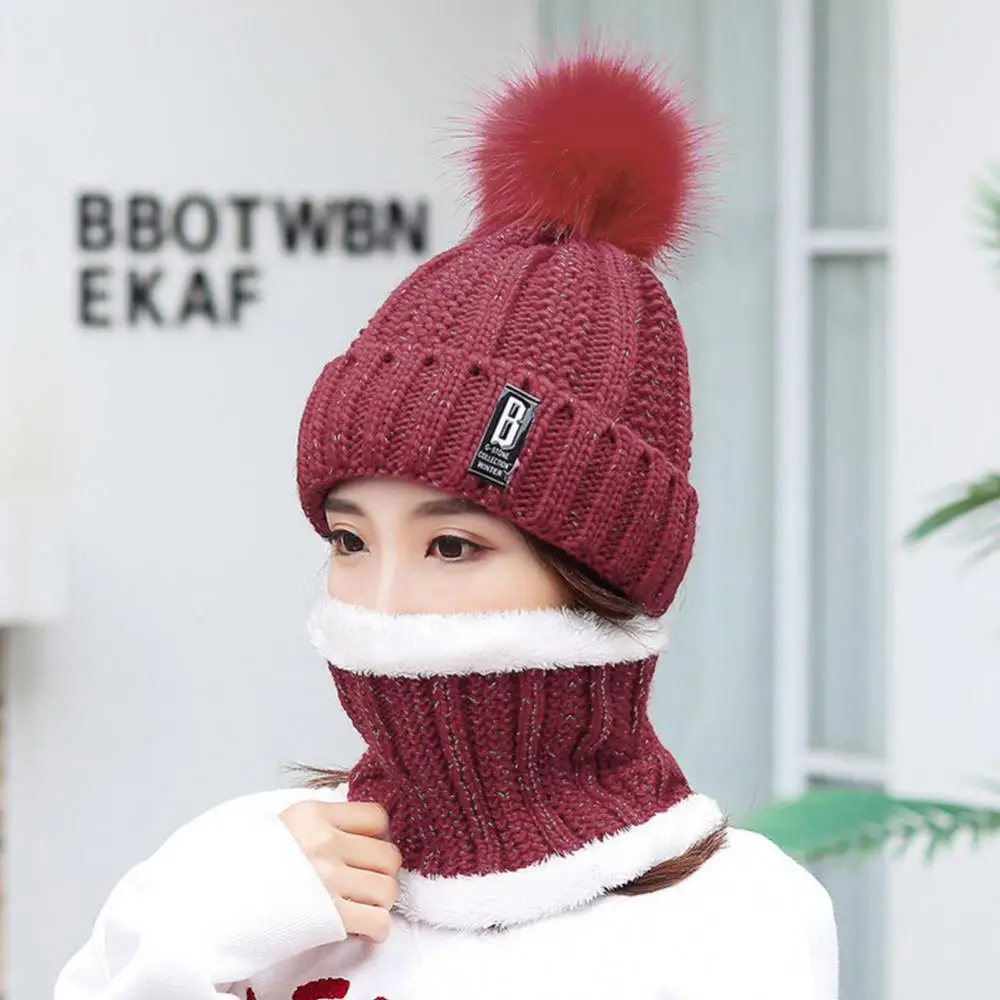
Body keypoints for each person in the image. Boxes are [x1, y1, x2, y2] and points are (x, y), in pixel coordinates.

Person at [56, 49, 838, 1000]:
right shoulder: (236, 870)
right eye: (349, 541)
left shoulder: (734, 923)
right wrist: (183, 948)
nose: (381, 606)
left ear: (599, 578)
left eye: (453, 546)